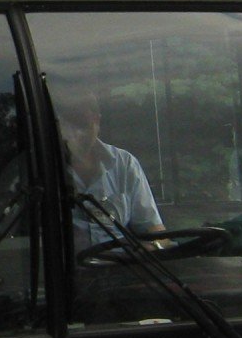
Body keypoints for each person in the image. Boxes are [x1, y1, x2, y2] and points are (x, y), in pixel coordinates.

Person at [57, 92, 164, 251]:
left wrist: (154, 247)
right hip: (63, 272)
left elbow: (153, 230)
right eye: (68, 125)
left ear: (96, 120)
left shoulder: (124, 164)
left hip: (126, 268)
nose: (75, 134)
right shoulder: (39, 170)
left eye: (81, 124)